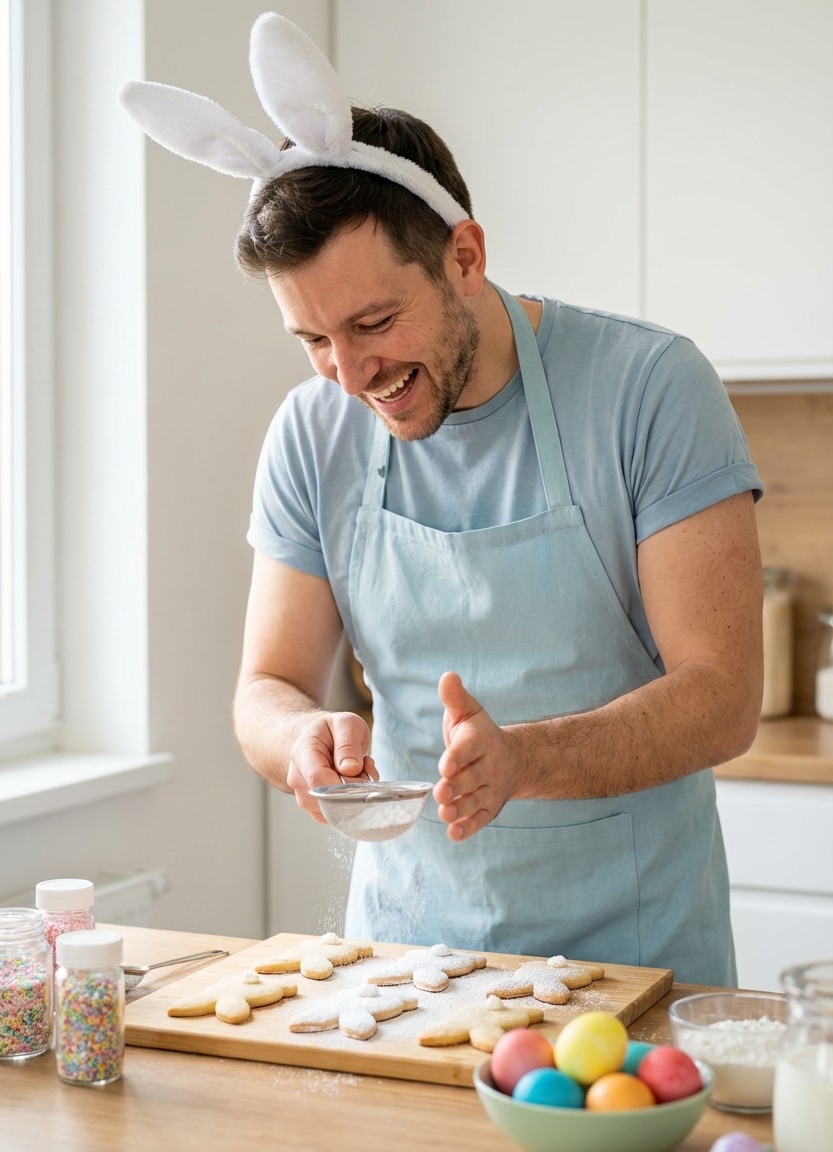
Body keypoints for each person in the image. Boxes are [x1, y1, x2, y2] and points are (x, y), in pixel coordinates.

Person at [121, 13, 764, 986]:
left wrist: (527, 759)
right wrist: (302, 738)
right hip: (407, 960)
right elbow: (265, 687)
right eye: (312, 339)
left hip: (635, 967)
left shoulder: (649, 387)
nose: (348, 374)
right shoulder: (311, 433)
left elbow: (722, 698)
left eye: (374, 322)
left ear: (464, 256)